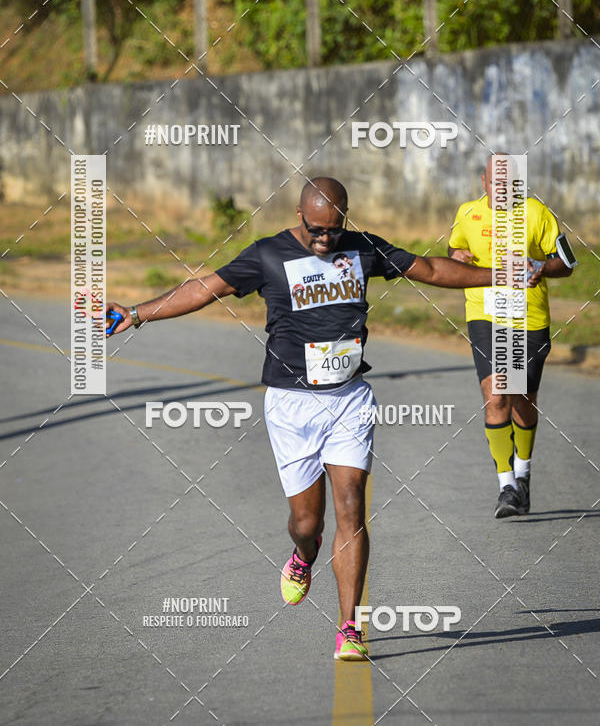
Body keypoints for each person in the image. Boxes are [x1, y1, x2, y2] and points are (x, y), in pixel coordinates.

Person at [107, 176, 496, 661]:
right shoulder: (268, 255)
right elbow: (205, 289)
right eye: (315, 230)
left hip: (350, 398)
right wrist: (138, 314)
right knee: (306, 521)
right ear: (299, 215)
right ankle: (303, 555)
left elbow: (433, 269)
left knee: (351, 504)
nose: (323, 240)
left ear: (345, 222)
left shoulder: (362, 249)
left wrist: (503, 276)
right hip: (291, 406)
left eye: (332, 231)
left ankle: (350, 627)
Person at [448, 156, 574, 519]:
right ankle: (506, 485)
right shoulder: (467, 213)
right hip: (485, 313)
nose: (501, 191)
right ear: (483, 181)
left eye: (510, 185)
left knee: (522, 398)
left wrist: (541, 266)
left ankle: (523, 474)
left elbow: (567, 262)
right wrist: (455, 254)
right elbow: (455, 251)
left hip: (527, 315)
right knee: (497, 393)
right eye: (495, 183)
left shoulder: (537, 213)